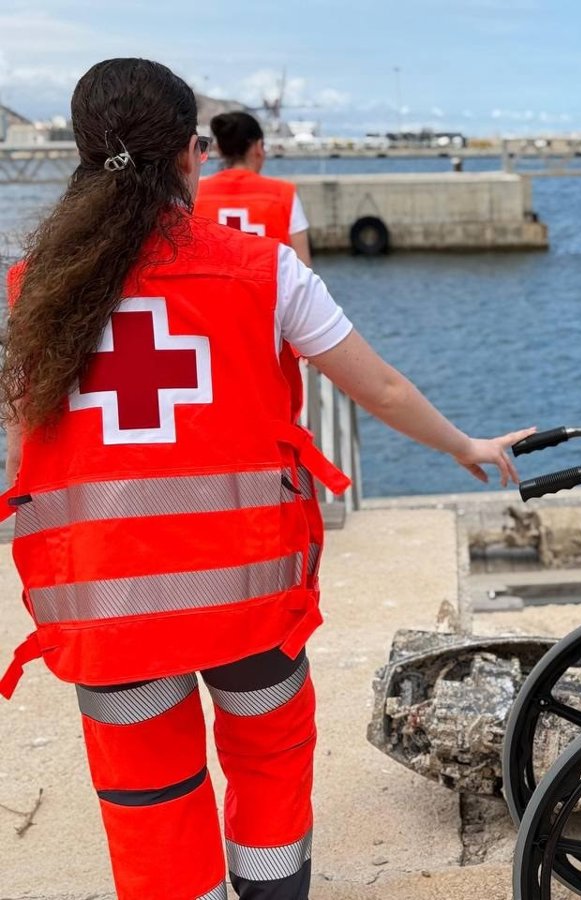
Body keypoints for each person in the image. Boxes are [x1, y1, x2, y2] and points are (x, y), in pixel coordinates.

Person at [0, 58, 533, 900]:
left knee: (149, 801)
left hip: (106, 610)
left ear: (81, 154)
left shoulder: (28, 291)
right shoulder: (262, 270)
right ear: (190, 154)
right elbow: (380, 386)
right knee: (269, 764)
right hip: (245, 597)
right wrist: (464, 445)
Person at [193, 111, 312, 265]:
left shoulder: (194, 193)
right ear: (257, 147)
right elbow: (304, 267)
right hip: (268, 288)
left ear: (220, 150)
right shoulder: (284, 195)